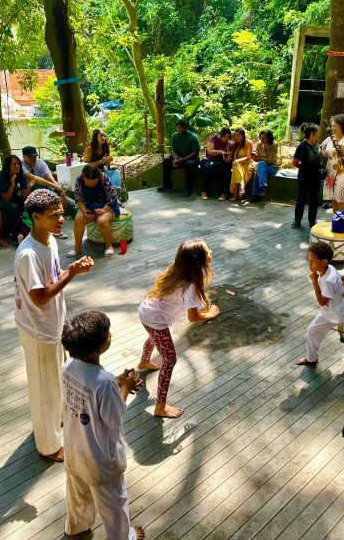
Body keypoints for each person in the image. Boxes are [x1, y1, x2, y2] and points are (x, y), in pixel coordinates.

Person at [14, 189, 94, 462]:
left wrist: (73, 269)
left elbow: (53, 277)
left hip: (53, 325)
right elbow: (39, 297)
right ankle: (47, 446)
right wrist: (71, 274)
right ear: (35, 217)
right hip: (38, 329)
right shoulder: (28, 254)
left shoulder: (49, 241)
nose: (61, 219)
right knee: (43, 389)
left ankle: (52, 420)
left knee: (54, 381)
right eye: (53, 216)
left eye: (61, 213)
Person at [60, 310, 145, 540]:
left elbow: (87, 393)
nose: (111, 335)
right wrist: (125, 387)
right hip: (101, 459)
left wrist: (119, 381)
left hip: (74, 448)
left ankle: (76, 527)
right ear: (98, 348)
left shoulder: (68, 366)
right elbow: (113, 417)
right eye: (108, 334)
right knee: (114, 506)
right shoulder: (105, 382)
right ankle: (123, 537)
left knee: (77, 494)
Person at [137, 239, 220, 418]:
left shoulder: (177, 270)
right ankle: (160, 406)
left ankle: (144, 361)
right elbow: (193, 317)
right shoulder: (191, 285)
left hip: (146, 312)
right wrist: (210, 314)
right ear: (198, 261)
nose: (211, 252)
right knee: (170, 359)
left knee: (154, 336)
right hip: (156, 319)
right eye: (207, 251)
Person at [296, 241, 344, 368]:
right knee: (312, 331)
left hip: (342, 315)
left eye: (313, 261)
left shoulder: (328, 280)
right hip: (329, 313)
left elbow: (322, 302)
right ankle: (312, 358)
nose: (309, 264)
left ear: (324, 262)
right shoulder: (330, 268)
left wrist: (314, 282)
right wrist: (342, 294)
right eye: (309, 260)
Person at [68, 165, 118, 258]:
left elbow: (113, 199)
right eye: (88, 183)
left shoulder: (104, 178)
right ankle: (77, 248)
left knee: (101, 221)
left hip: (107, 206)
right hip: (89, 206)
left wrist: (103, 210)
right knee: (78, 218)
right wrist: (84, 210)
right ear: (83, 177)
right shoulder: (79, 180)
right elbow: (78, 199)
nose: (91, 185)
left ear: (98, 177)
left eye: (93, 182)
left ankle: (109, 246)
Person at [21, 145, 71, 238]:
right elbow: (35, 178)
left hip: (44, 188)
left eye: (35, 157)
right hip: (30, 190)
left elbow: (49, 176)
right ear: (24, 157)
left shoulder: (40, 162)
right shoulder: (21, 165)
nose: (34, 159)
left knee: (61, 195)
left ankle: (57, 224)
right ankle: (51, 226)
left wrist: (57, 187)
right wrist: (54, 185)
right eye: (31, 157)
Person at [320, 114, 344, 212]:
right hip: (331, 174)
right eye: (332, 126)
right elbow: (321, 148)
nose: (332, 128)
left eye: (335, 126)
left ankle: (343, 224)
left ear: (342, 127)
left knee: (341, 199)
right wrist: (326, 152)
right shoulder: (330, 138)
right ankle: (336, 222)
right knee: (333, 199)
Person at [0, 155, 30, 244]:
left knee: (27, 204)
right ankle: (10, 234)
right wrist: (12, 185)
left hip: (12, 197)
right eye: (13, 164)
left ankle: (25, 230)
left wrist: (30, 186)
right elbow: (6, 199)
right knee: (13, 207)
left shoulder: (20, 175)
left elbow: (24, 195)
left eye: (18, 164)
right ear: (8, 166)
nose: (17, 166)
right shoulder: (1, 178)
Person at [292, 122, 322, 229]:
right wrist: (304, 168)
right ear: (311, 134)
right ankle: (297, 221)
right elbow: (294, 162)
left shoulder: (318, 144)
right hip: (304, 177)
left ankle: (312, 221)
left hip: (316, 177)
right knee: (301, 199)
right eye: (316, 133)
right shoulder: (302, 146)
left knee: (314, 200)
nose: (317, 135)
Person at [158, 119, 200, 196]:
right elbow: (174, 150)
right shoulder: (174, 136)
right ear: (177, 128)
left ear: (186, 128)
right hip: (179, 157)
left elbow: (195, 152)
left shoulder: (193, 137)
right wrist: (176, 158)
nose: (181, 129)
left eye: (183, 127)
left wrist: (182, 160)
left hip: (192, 158)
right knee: (167, 161)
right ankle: (167, 186)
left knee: (189, 165)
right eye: (179, 127)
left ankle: (189, 189)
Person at [83, 129, 122, 193]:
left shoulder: (105, 147)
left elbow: (106, 165)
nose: (103, 138)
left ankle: (114, 191)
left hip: (103, 171)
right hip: (93, 173)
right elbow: (86, 165)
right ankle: (113, 192)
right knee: (105, 177)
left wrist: (107, 161)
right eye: (101, 136)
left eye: (104, 136)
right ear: (95, 137)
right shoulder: (89, 149)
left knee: (116, 172)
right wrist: (101, 161)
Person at [199, 127, 232, 201]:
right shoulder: (213, 138)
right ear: (220, 135)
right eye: (224, 137)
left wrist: (227, 159)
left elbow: (229, 158)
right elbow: (210, 152)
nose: (226, 139)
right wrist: (220, 152)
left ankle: (224, 193)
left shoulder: (229, 144)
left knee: (223, 170)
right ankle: (204, 191)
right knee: (209, 168)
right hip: (208, 159)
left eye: (228, 137)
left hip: (220, 162)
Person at [249, 129, 279, 203]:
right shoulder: (259, 145)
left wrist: (260, 159)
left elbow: (271, 160)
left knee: (261, 166)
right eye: (261, 137)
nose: (262, 139)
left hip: (272, 167)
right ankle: (262, 185)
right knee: (260, 167)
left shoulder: (274, 145)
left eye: (265, 138)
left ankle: (256, 195)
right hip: (261, 167)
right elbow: (257, 159)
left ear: (269, 138)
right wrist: (255, 158)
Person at [228, 127, 254, 202]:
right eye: (235, 135)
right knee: (236, 166)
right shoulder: (234, 145)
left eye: (238, 135)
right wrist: (228, 159)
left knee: (236, 166)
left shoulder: (248, 143)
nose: (236, 137)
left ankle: (235, 195)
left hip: (247, 164)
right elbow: (231, 158)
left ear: (243, 136)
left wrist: (238, 160)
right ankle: (242, 186)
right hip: (238, 165)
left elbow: (248, 157)